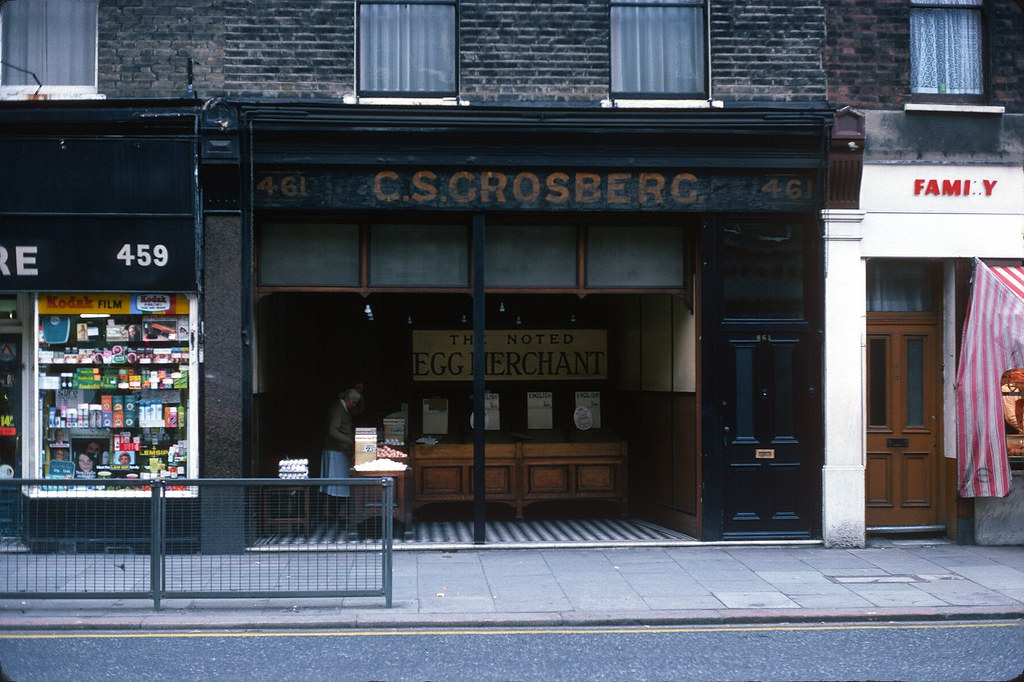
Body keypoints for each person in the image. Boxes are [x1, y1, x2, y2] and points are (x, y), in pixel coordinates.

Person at [321, 387, 362, 500]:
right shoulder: (338, 409)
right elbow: (332, 430)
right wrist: (348, 440)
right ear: (348, 399)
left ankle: (335, 512)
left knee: (337, 485)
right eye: (353, 402)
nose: (354, 405)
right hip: (335, 450)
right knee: (334, 485)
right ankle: (333, 513)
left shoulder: (342, 408)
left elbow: (360, 409)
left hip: (339, 450)